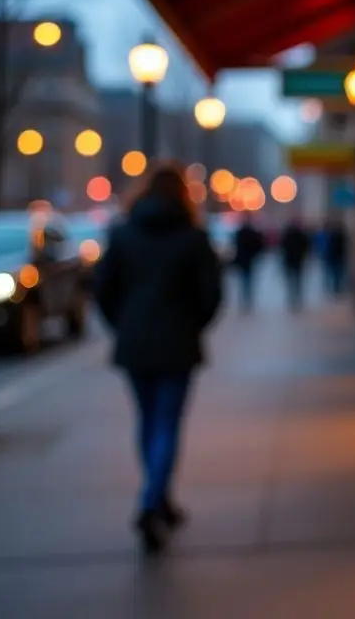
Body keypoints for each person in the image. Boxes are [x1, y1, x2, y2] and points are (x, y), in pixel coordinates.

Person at [93, 163, 223, 555]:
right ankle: (152, 502)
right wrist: (191, 325)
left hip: (135, 342)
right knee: (167, 423)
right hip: (178, 343)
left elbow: (103, 290)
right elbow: (212, 296)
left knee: (148, 421)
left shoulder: (123, 235)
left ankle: (158, 496)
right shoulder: (193, 238)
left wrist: (123, 325)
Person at [231, 214, 265, 312]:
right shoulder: (251, 233)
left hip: (244, 261)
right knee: (247, 281)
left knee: (243, 281)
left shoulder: (240, 233)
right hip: (249, 261)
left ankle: (245, 301)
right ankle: (248, 301)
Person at [280, 218, 311, 311]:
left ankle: (292, 300)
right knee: (298, 282)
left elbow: (282, 248)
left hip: (290, 261)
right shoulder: (301, 235)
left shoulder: (287, 235)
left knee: (291, 282)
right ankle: (297, 300)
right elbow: (306, 247)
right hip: (298, 261)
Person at [322, 219, 350, 296]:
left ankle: (335, 286)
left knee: (334, 272)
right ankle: (337, 286)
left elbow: (329, 247)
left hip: (334, 256)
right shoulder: (341, 235)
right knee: (338, 272)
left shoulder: (332, 236)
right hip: (339, 256)